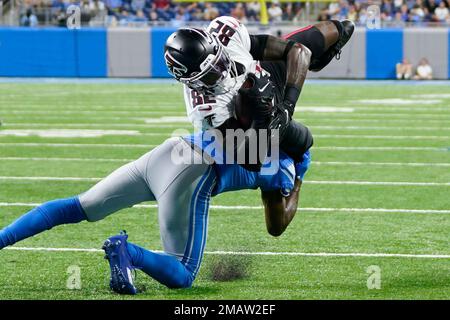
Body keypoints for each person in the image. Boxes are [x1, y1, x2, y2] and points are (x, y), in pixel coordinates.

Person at [0, 127, 311, 294]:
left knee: (79, 206)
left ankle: (1, 239)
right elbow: (276, 225)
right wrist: (298, 181)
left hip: (167, 152)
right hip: (193, 175)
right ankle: (127, 253)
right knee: (184, 274)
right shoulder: (283, 166)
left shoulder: (251, 128)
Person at [164, 16, 354, 170]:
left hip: (265, 73)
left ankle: (315, 62)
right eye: (210, 74)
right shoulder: (204, 109)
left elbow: (297, 50)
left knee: (339, 28)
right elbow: (250, 160)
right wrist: (262, 118)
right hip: (256, 115)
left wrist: (288, 106)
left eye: (220, 61)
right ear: (192, 82)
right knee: (303, 142)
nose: (221, 72)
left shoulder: (226, 34)